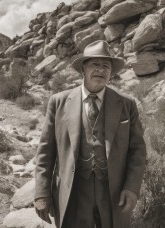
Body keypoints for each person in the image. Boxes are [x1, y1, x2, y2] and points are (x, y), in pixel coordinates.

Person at [34, 40, 147, 228]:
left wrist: (132, 188)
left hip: (113, 192)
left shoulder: (127, 104)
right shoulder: (58, 102)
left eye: (106, 66)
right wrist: (41, 193)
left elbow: (138, 151)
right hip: (73, 191)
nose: (101, 70)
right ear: (83, 69)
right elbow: (45, 151)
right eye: (95, 64)